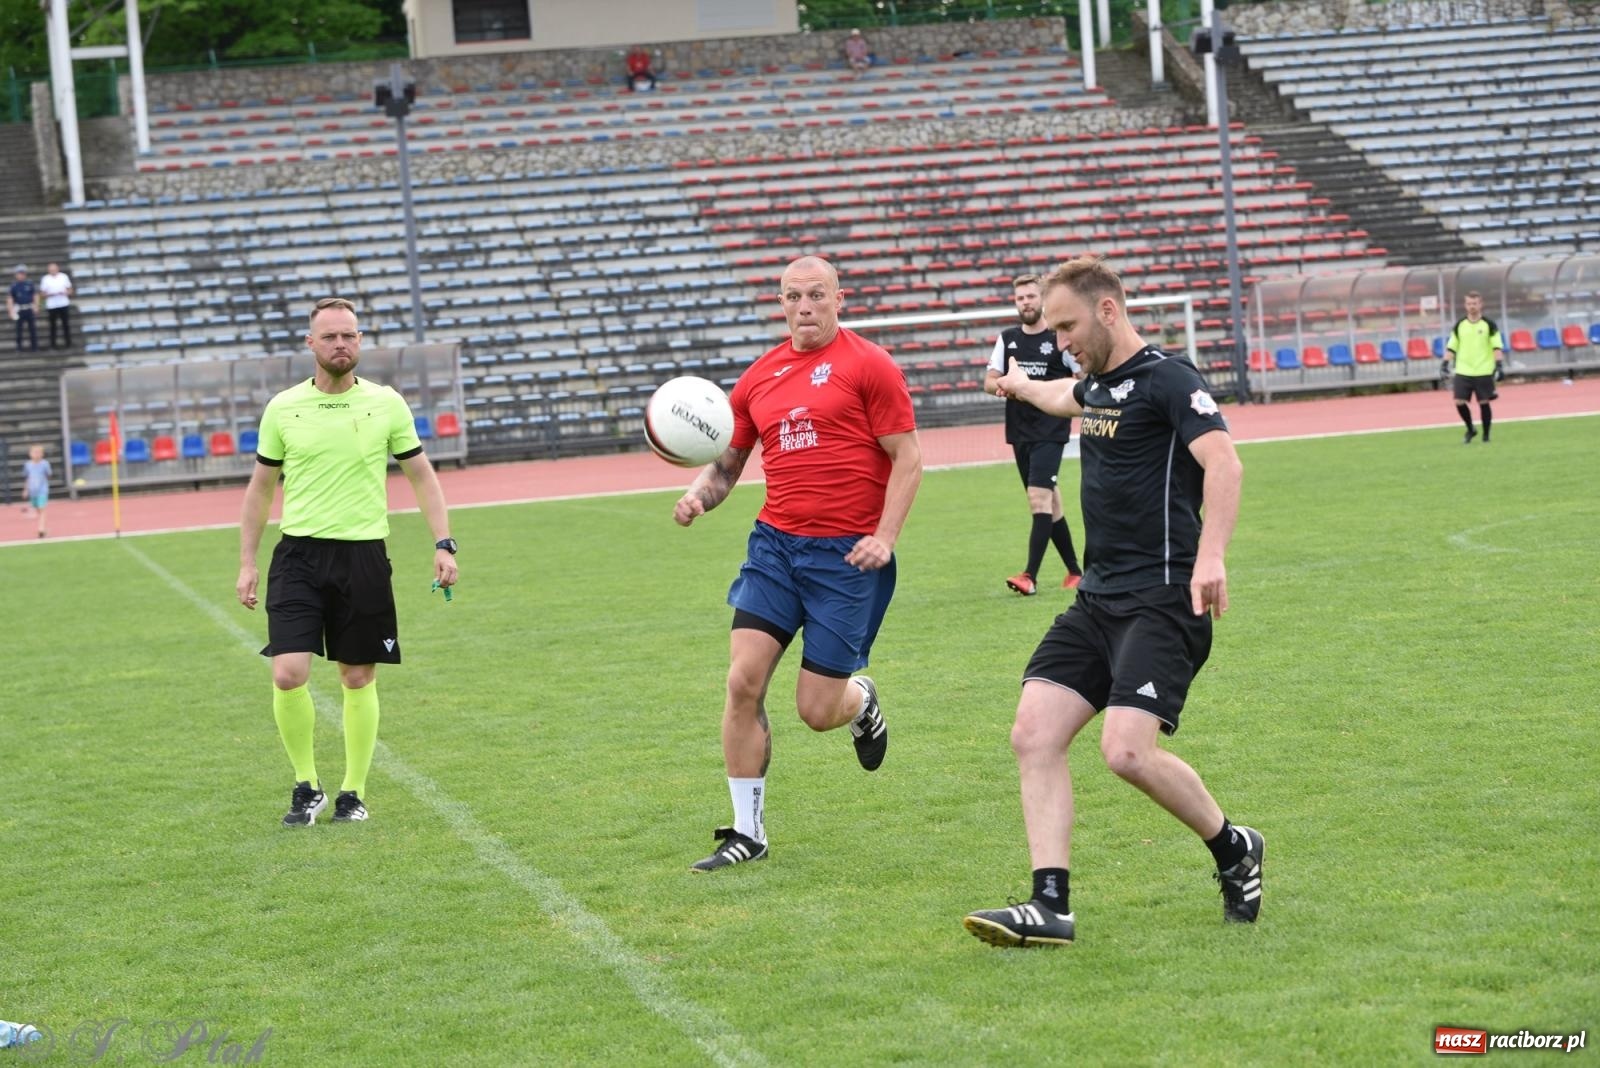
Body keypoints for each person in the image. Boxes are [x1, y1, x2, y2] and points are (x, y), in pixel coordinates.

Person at [962, 256, 1259, 947]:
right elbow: (1060, 395)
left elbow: (1226, 463)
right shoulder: (1095, 386)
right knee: (1032, 735)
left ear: (1107, 311)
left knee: (1126, 753)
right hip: (1096, 602)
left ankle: (1234, 848)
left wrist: (1212, 555)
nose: (1059, 338)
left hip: (1163, 599)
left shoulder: (1169, 381)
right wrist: (1014, 385)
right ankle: (1050, 906)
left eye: (1067, 325)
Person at [673, 255, 922, 872]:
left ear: (841, 298)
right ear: (779, 302)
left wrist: (885, 537)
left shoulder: (871, 366)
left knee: (816, 711)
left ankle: (859, 701)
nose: (804, 306)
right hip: (776, 547)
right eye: (792, 296)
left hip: (848, 559)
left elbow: (909, 458)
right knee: (742, 680)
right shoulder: (758, 378)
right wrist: (698, 497)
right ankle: (747, 830)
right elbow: (729, 465)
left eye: (815, 294)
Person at [237, 297, 459, 827]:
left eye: (350, 335)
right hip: (298, 556)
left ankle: (352, 792)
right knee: (288, 673)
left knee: (357, 678)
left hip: (362, 555)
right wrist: (248, 561)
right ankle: (305, 784)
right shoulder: (283, 407)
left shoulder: (386, 404)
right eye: (331, 336)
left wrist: (444, 542)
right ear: (310, 343)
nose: (342, 344)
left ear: (360, 342)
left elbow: (422, 475)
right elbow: (261, 488)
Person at [984, 273, 1083, 597]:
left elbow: (1081, 376)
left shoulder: (1058, 339)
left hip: (1051, 429)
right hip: (1020, 431)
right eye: (1020, 298)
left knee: (1038, 498)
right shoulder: (1008, 339)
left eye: (1030, 296)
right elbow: (989, 380)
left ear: (1041, 299)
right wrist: (1006, 387)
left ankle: (1030, 576)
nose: (1025, 302)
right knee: (1050, 503)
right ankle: (1075, 572)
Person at [1443, 291, 1504, 444]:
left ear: (1480, 304)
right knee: (1459, 401)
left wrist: (1499, 365)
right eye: (1469, 304)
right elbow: (1452, 347)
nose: (1472, 307)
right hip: (1463, 370)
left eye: (1475, 303)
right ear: (1465, 305)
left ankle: (1486, 436)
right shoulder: (1460, 325)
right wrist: (1444, 364)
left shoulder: (1489, 325)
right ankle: (1471, 428)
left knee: (1484, 402)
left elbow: (1496, 347)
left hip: (1483, 369)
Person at [39, 262, 73, 350]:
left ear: (57, 269)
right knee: (53, 326)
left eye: (54, 269)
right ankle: (53, 344)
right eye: (51, 270)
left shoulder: (64, 277)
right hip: (52, 305)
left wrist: (65, 292)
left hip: (63, 303)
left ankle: (68, 343)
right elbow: (42, 293)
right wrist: (50, 294)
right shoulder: (45, 279)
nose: (53, 271)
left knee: (65, 324)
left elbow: (70, 290)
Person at [8, 265, 38, 352]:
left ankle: (34, 347)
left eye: (22, 273)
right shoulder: (14, 286)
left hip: (29, 308)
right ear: (16, 275)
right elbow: (10, 298)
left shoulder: (29, 284)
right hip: (19, 309)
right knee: (19, 330)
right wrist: (11, 310)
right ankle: (19, 347)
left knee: (32, 329)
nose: (21, 275)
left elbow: (35, 295)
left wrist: (36, 306)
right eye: (19, 274)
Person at [23, 444, 50, 538]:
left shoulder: (45, 464)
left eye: (39, 452)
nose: (37, 454)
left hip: (42, 490)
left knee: (42, 508)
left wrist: (43, 484)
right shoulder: (28, 465)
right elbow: (27, 478)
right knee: (37, 508)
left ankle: (41, 528)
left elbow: (48, 475)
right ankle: (43, 526)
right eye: (35, 452)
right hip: (32, 491)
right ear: (30, 454)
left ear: (42, 454)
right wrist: (26, 489)